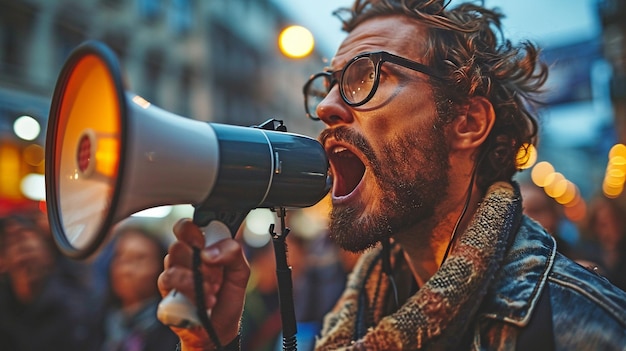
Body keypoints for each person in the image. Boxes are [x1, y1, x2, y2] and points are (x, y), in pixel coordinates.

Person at [157, 0, 626, 350]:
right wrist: (214, 341)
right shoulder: (360, 309)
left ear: (467, 123)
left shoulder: (578, 326)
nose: (325, 107)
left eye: (367, 76)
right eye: (329, 84)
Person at [0, 214, 101, 350]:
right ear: (2, 263)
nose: (20, 242)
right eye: (9, 242)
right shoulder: (5, 314)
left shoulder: (76, 307)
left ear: (48, 255)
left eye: (26, 234)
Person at [98, 225, 179, 351]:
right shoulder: (94, 321)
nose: (125, 270)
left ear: (161, 267)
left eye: (139, 259)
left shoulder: (176, 330)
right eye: (120, 258)